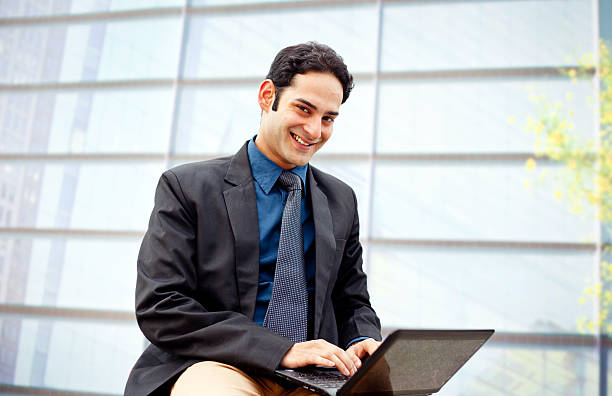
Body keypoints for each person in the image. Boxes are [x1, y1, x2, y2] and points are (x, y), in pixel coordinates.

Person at [124, 41, 382, 396]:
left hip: (314, 379)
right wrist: (281, 351)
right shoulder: (187, 188)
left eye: (328, 118)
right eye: (303, 109)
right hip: (217, 365)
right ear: (267, 96)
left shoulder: (341, 200)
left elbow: (351, 298)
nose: (314, 130)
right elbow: (162, 306)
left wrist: (362, 337)